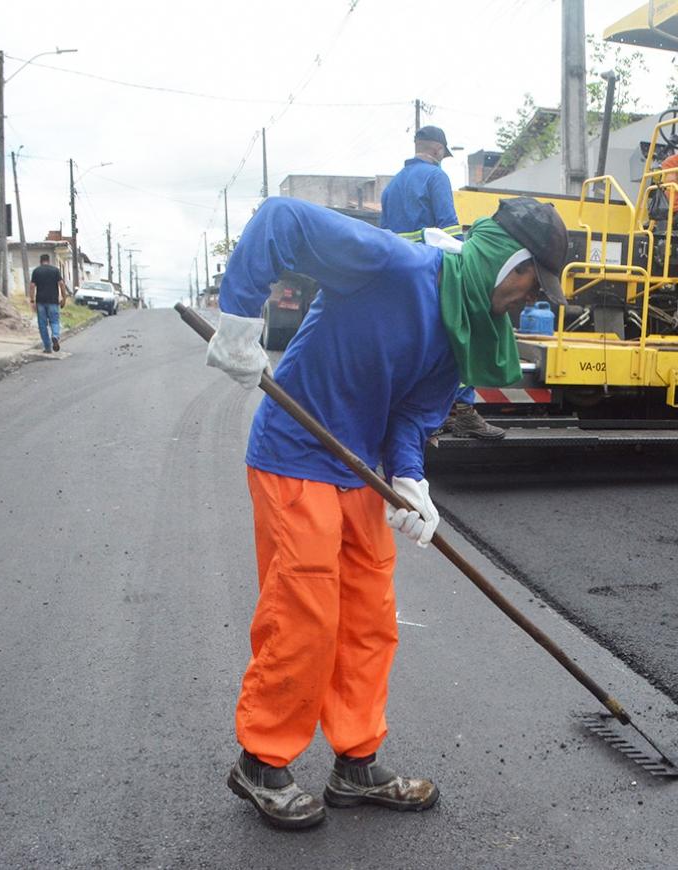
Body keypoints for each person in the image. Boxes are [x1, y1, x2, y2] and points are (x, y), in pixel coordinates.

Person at [205, 194, 568, 830]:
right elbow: (281, 221)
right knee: (305, 613)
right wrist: (239, 320)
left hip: (361, 470)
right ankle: (261, 761)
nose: (529, 302)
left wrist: (409, 476)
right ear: (509, 264)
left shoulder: (468, 328)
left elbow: (415, 412)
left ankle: (357, 762)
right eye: (532, 285)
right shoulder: (395, 265)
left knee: (370, 616)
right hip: (296, 454)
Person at [380, 125, 505, 440]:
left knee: (415, 345)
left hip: (397, 279)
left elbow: (383, 236)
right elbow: (449, 231)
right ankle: (463, 413)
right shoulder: (436, 177)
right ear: (438, 150)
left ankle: (426, 411)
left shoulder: (391, 187)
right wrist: (469, 269)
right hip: (431, 274)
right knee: (458, 335)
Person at [28, 254, 68, 353]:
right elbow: (62, 284)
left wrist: (32, 300)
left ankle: (47, 347)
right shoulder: (55, 270)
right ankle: (55, 336)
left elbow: (32, 286)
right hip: (53, 301)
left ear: (40, 261)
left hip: (40, 301)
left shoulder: (36, 271)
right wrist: (64, 298)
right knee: (54, 321)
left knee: (42, 324)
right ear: (48, 261)